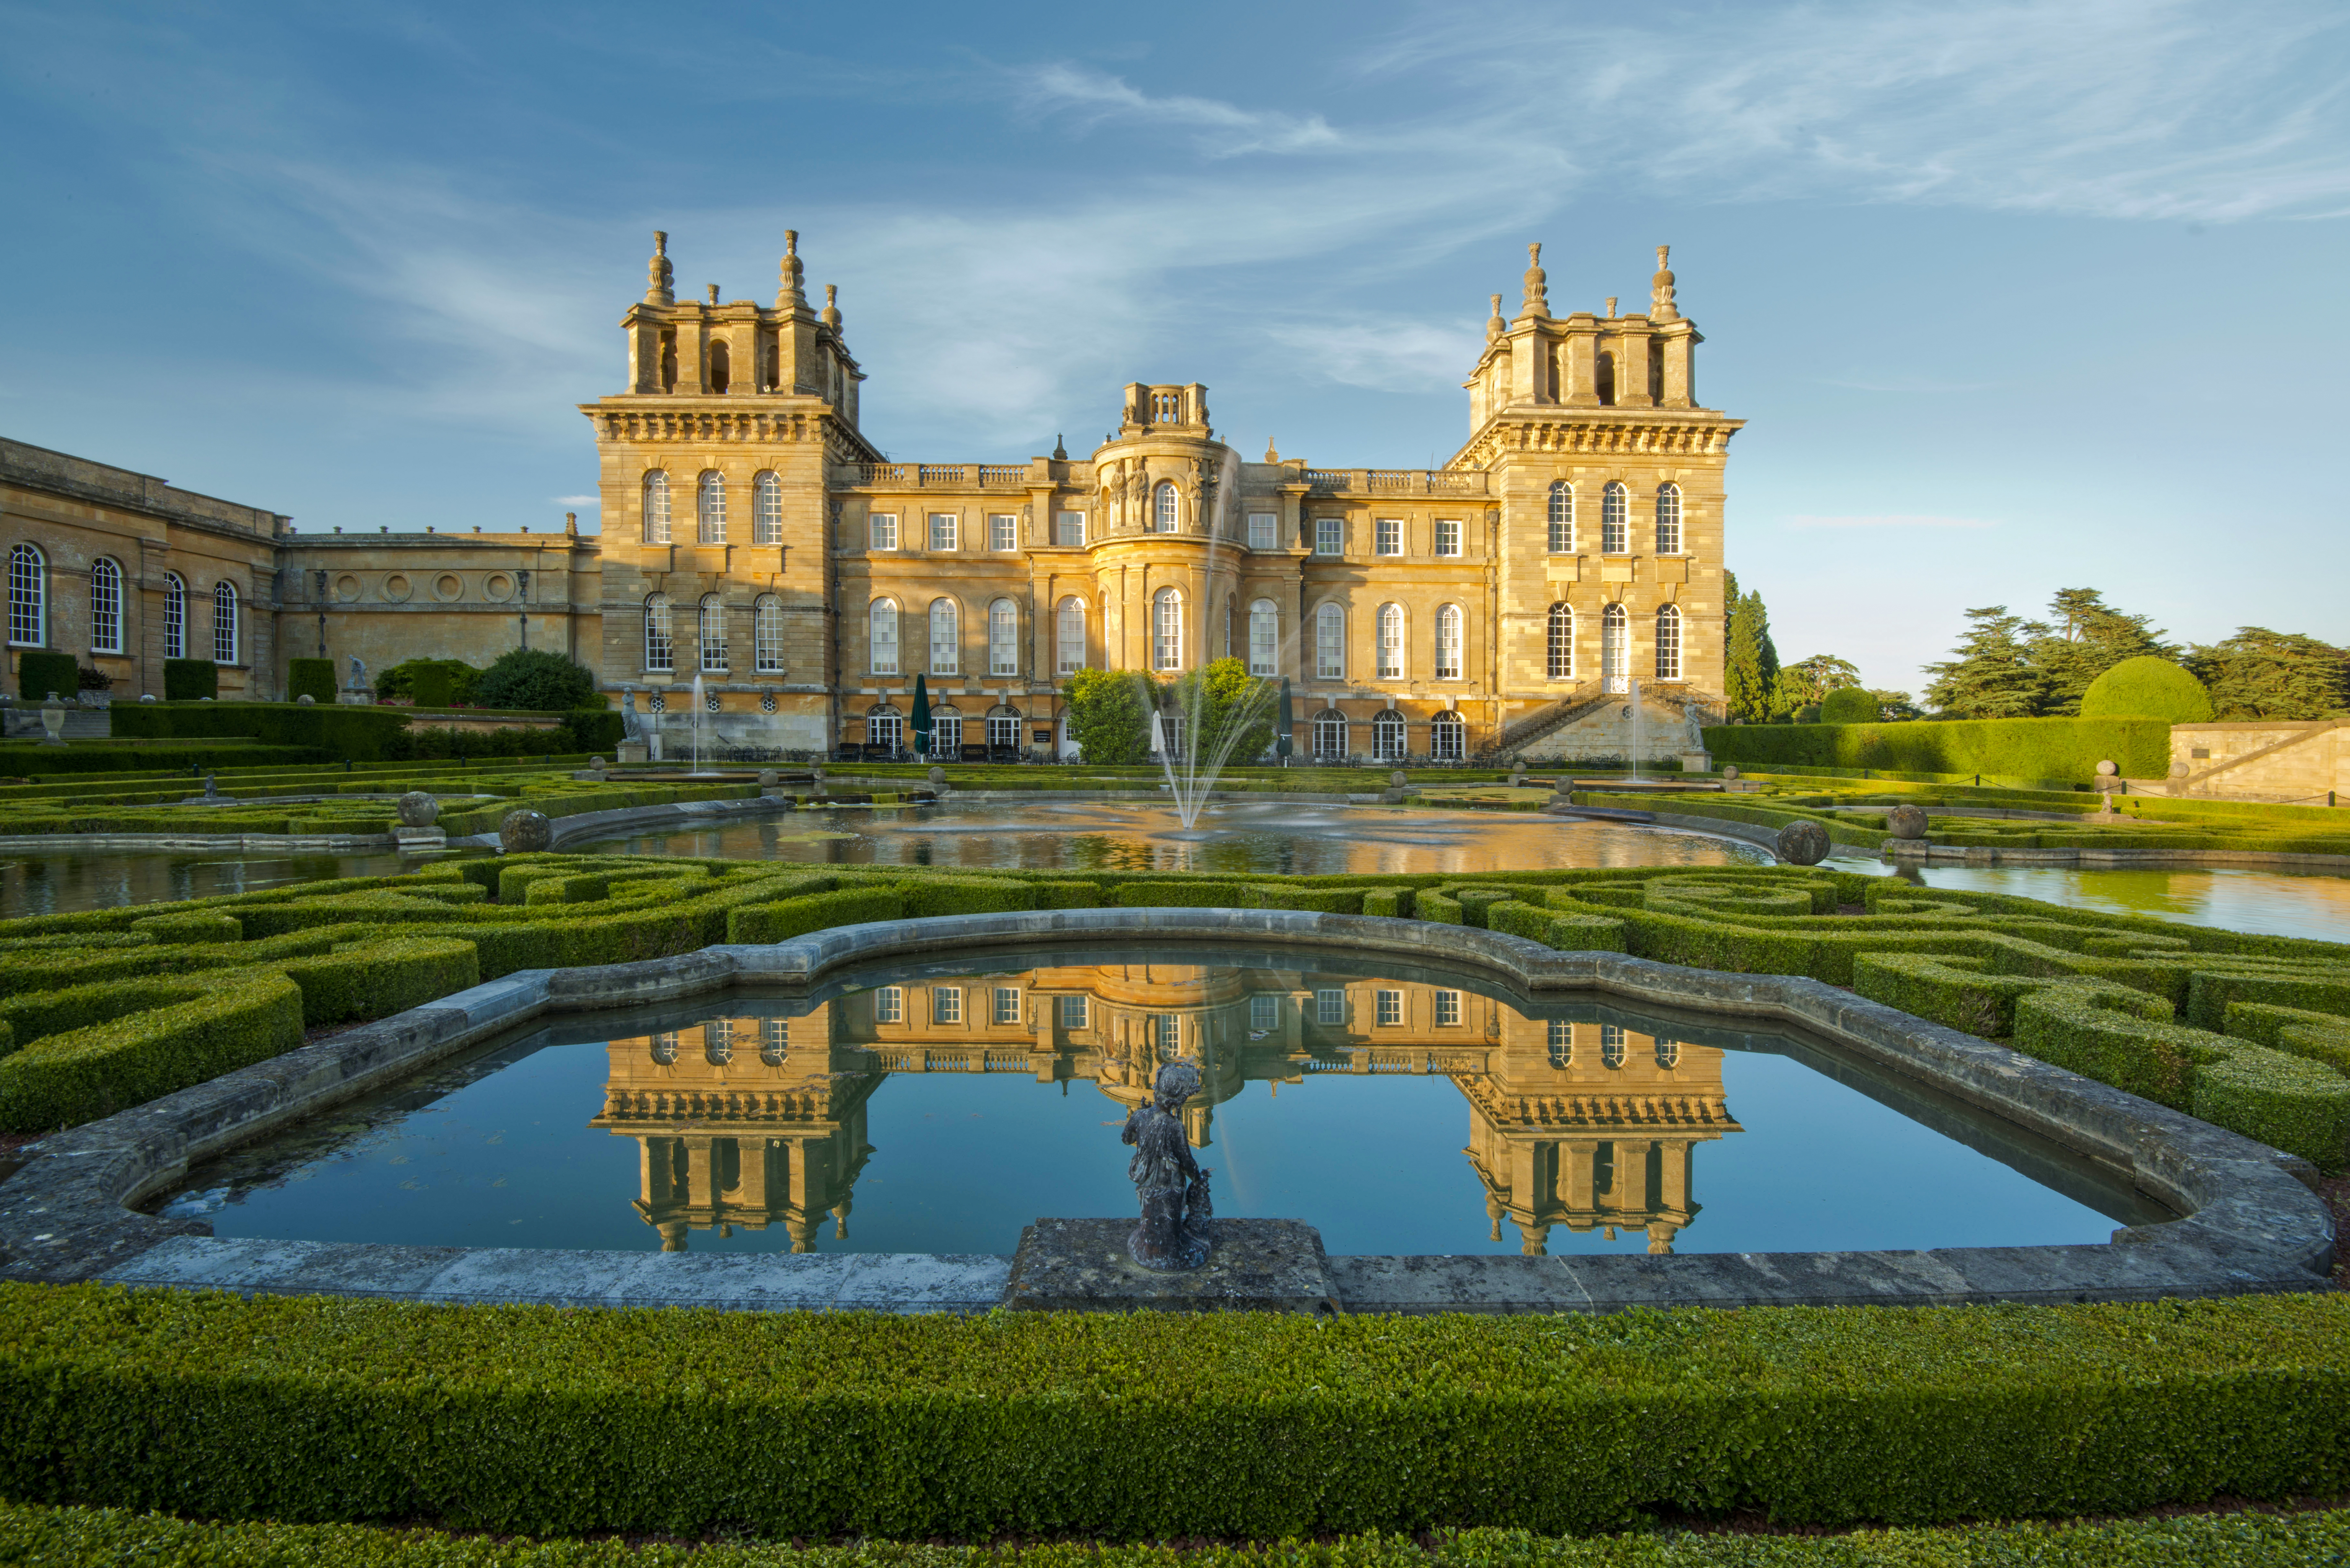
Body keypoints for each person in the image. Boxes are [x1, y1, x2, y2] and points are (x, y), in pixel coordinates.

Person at [1122, 1059, 1213, 1269]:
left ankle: (1146, 1246)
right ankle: (1168, 1253)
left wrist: (1142, 1131)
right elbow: (1187, 1163)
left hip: (1146, 1189)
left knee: (1151, 1222)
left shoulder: (1140, 1116)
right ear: (1178, 1101)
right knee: (1171, 1230)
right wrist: (1199, 1179)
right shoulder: (1175, 1127)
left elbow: (1126, 1139)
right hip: (1169, 1191)